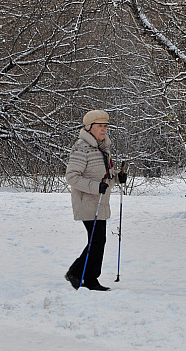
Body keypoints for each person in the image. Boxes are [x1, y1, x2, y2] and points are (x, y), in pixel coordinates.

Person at [65, 110, 126, 291]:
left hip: (101, 202)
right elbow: (71, 177)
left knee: (98, 241)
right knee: (97, 241)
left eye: (105, 126)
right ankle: (79, 274)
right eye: (100, 126)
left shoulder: (103, 149)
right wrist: (94, 186)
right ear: (89, 128)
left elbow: (106, 177)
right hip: (87, 202)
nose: (103, 130)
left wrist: (118, 178)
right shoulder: (81, 148)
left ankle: (86, 277)